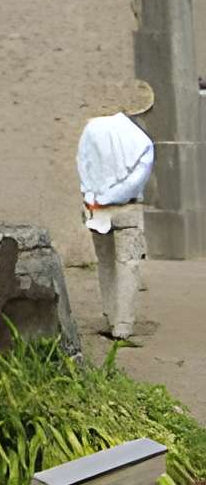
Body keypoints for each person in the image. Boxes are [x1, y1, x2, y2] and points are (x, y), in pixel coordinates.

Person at [77, 79, 156, 340]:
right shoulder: (142, 141)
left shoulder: (91, 129)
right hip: (127, 209)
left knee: (105, 264)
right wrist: (110, 197)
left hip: (96, 207)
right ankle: (123, 325)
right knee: (128, 265)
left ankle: (110, 318)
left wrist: (93, 197)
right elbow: (135, 181)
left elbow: (83, 165)